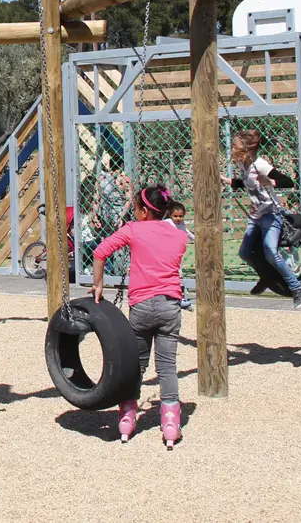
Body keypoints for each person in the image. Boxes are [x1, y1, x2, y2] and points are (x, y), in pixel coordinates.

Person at [90, 184, 189, 449]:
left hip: (142, 307)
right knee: (167, 366)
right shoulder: (180, 235)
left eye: (135, 208)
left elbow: (100, 252)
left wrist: (98, 285)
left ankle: (127, 418)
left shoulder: (133, 229)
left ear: (144, 211)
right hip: (170, 306)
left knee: (137, 365)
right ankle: (170, 424)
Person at [225, 130, 301, 308]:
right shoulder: (243, 165)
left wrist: (271, 182)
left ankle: (297, 288)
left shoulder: (260, 164)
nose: (232, 147)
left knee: (270, 251)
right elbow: (245, 183)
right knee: (245, 253)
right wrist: (225, 180)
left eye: (236, 145)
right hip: (256, 215)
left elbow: (288, 181)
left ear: (247, 148)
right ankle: (266, 276)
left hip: (271, 213)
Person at [166, 201, 194, 311]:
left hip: (178, 254)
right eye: (175, 216)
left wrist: (196, 238)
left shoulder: (181, 224)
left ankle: (180, 297)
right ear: (170, 215)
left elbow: (186, 232)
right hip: (167, 254)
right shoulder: (167, 223)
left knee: (179, 275)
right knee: (173, 274)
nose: (178, 218)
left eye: (180, 216)